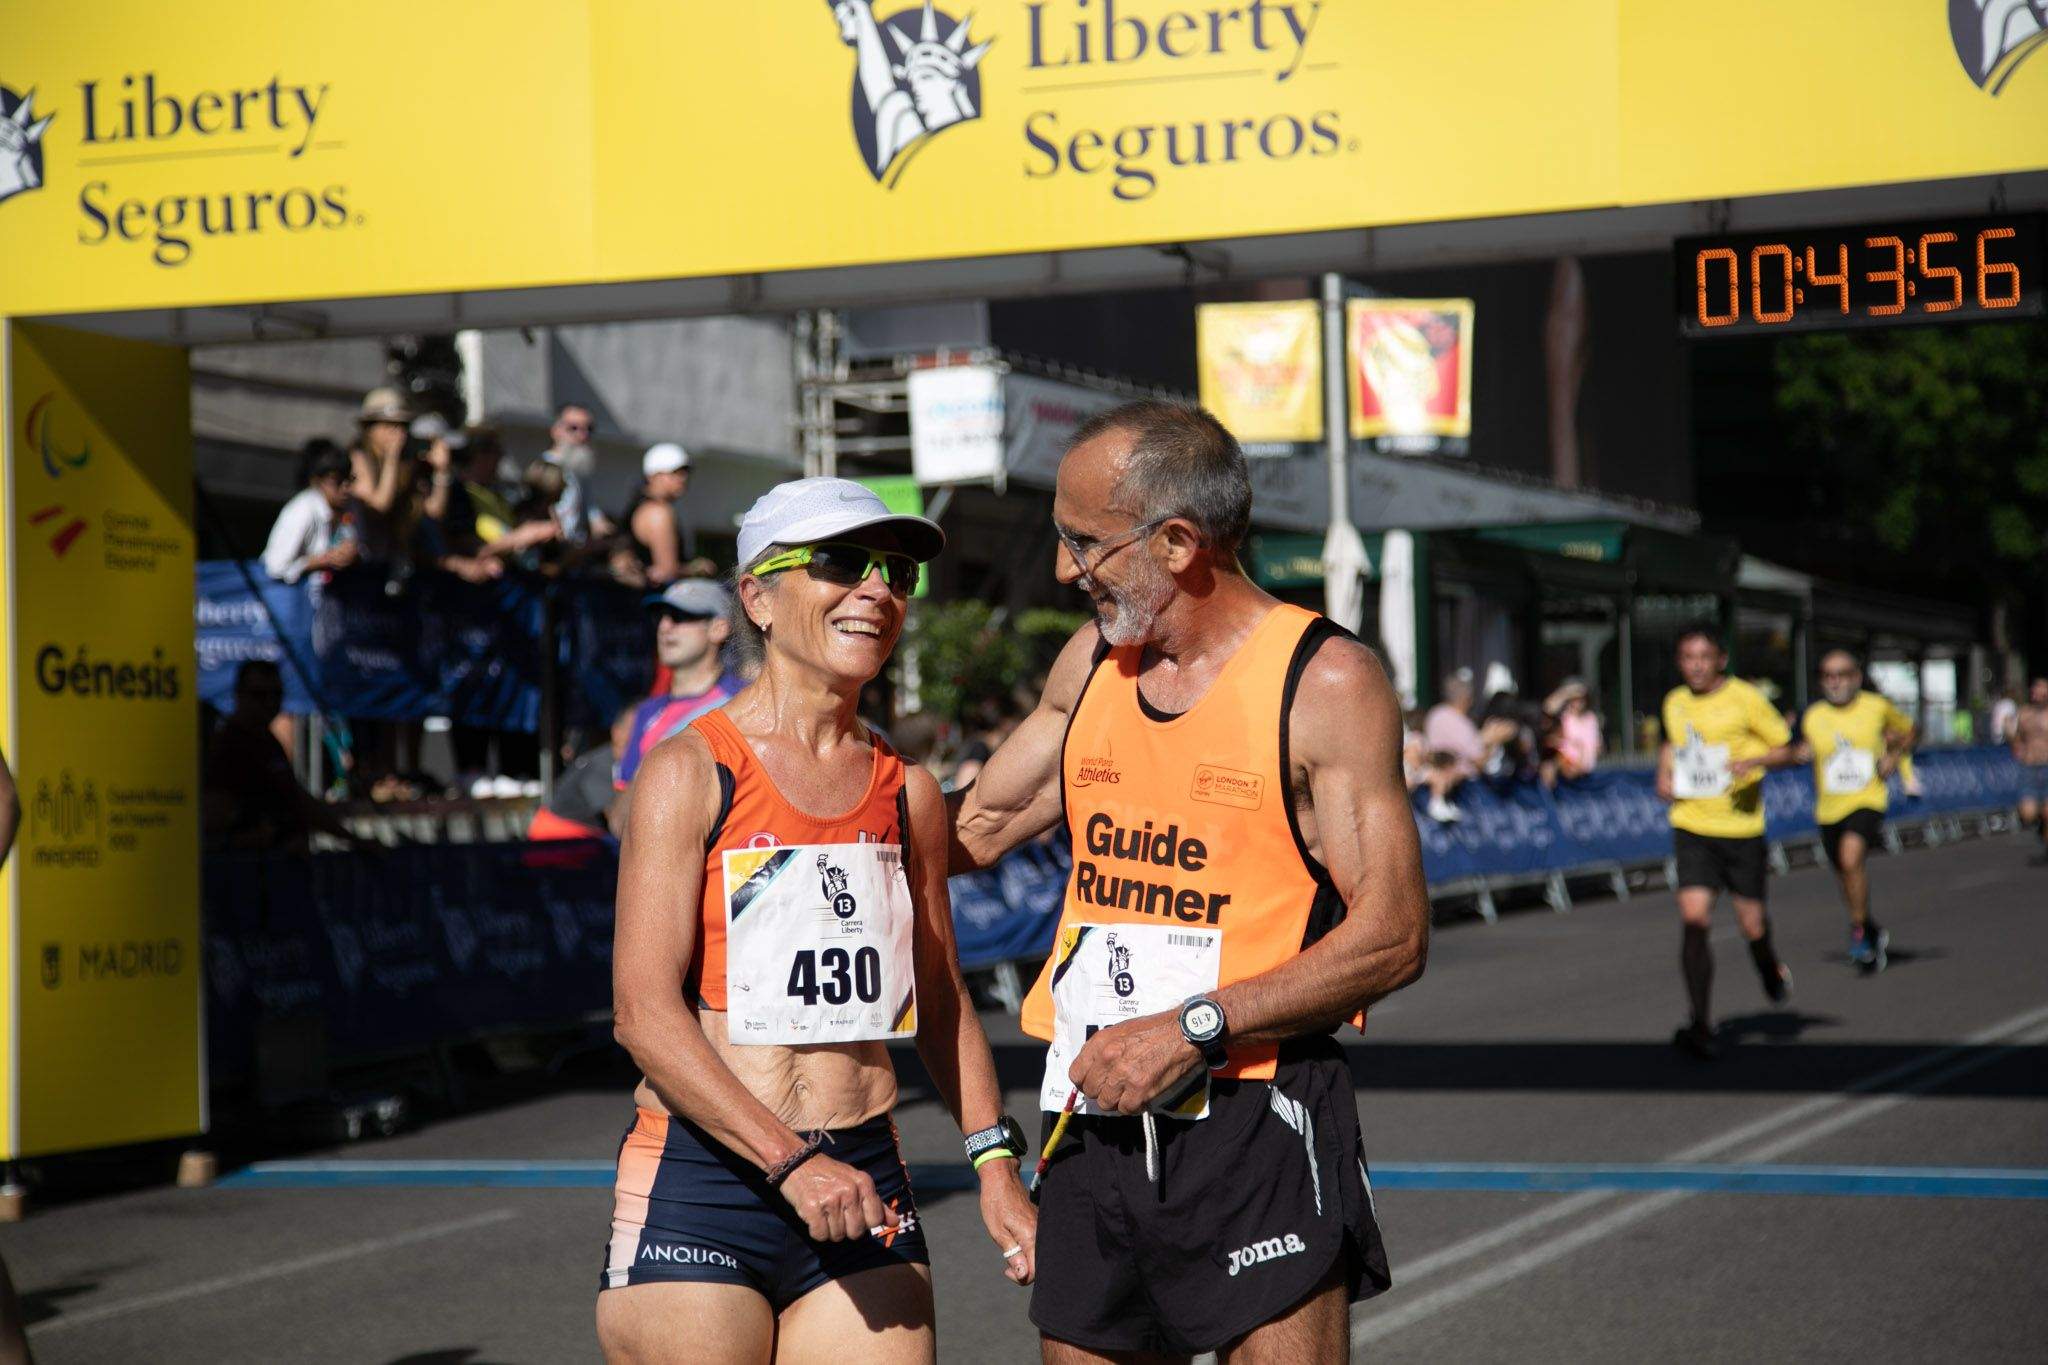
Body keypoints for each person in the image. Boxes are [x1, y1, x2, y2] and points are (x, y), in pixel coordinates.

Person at [948, 401, 1426, 1363]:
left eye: (1083, 541)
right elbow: (978, 825)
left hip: (1253, 1103)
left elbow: (1392, 935)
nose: (1061, 569)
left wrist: (1191, 1026)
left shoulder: (1324, 681)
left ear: (1175, 542)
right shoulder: (1091, 663)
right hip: (1092, 1101)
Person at [597, 477, 1036, 1363]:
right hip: (706, 1177)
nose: (878, 588)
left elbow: (942, 998)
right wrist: (792, 1161)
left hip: (863, 1172)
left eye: (898, 573)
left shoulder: (905, 790)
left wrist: (996, 1163)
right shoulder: (688, 771)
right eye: (841, 562)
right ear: (757, 596)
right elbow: (643, 1012)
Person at [1657, 626, 1802, 1060]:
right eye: (1687, 657)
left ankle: (1768, 965)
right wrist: (1661, 773)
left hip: (1740, 830)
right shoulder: (1674, 701)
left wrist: (1754, 760)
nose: (1695, 665)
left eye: (1704, 656)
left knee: (1751, 927)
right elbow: (1671, 743)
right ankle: (1701, 1021)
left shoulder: (1746, 698)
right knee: (1694, 921)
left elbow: (1790, 749)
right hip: (1693, 826)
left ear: (1721, 659)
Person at [1795, 650, 1914, 973]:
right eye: (1828, 676)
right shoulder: (1813, 715)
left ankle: (1859, 931)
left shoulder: (1876, 707)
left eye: (1842, 674)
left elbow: (1909, 731)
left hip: (1867, 799)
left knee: (1851, 859)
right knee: (1845, 876)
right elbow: (1800, 748)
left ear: (1856, 677)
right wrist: (1800, 752)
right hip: (1829, 807)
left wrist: (1893, 755)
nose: (1835, 682)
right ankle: (1869, 927)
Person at [201, 660, 364, 852]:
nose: (269, 703)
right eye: (259, 695)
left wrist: (352, 839)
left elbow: (297, 798)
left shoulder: (268, 740)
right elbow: (214, 815)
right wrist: (245, 839)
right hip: (249, 870)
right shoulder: (228, 745)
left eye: (276, 695)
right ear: (239, 695)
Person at [614, 579, 749, 794]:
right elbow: (624, 800)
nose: (665, 627)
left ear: (719, 628)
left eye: (680, 616)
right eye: (661, 617)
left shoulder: (745, 699)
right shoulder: (647, 712)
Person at [261, 439, 360, 583]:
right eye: (337, 481)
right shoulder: (302, 510)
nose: (345, 488)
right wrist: (320, 561)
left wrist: (351, 554)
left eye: (349, 480)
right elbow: (274, 567)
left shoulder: (350, 507)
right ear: (316, 481)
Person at [625, 443, 694, 586]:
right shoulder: (659, 513)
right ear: (653, 476)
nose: (683, 478)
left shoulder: (641, 506)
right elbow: (667, 572)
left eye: (686, 472)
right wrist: (697, 569)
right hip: (657, 601)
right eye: (676, 472)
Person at [542, 401, 599, 545]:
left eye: (589, 429)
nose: (582, 435)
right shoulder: (544, 469)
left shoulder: (578, 472)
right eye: (573, 428)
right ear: (555, 431)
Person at [2014, 677, 2048, 860]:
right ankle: (2041, 827)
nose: (2038, 694)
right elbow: (2017, 738)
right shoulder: (2024, 714)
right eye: (2035, 690)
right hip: (2029, 768)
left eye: (2042, 690)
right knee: (2027, 814)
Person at [1545, 678, 1603, 780]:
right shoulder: (1564, 717)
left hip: (1588, 774)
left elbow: (1597, 746)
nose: (1578, 702)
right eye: (1574, 699)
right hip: (1567, 774)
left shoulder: (1591, 718)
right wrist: (1567, 692)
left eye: (1581, 699)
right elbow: (1548, 708)